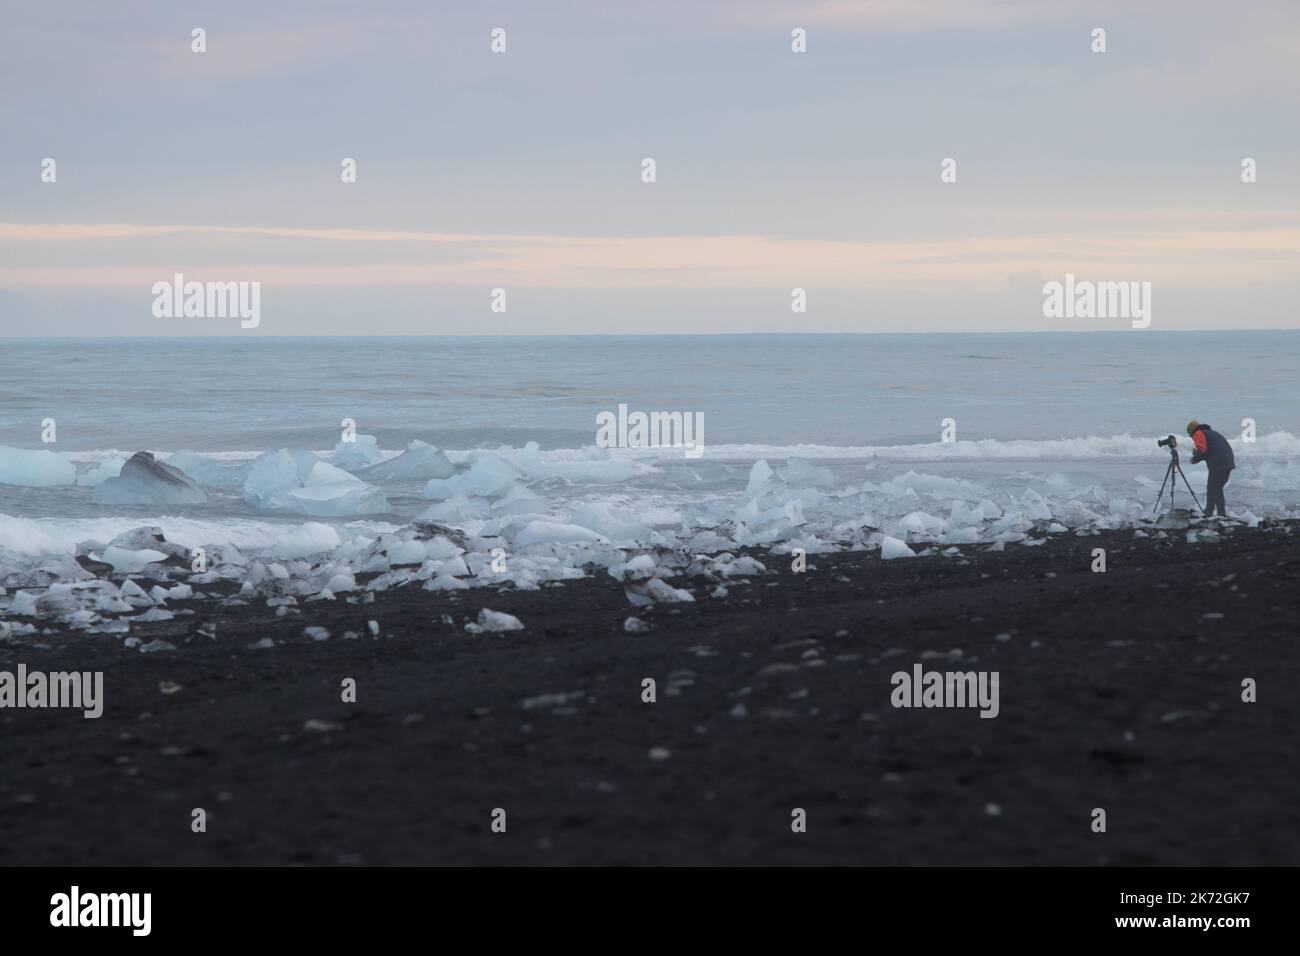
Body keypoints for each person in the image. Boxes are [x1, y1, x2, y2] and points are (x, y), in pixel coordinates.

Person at [1186, 420, 1235, 517]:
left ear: (1192, 432)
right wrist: (1198, 454)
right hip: (1227, 462)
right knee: (1217, 489)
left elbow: (1203, 451)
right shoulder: (1210, 433)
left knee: (1212, 488)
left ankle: (1209, 513)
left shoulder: (1198, 433)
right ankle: (1221, 513)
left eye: (1191, 436)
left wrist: (1194, 459)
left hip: (1219, 463)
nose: (1192, 438)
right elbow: (1207, 451)